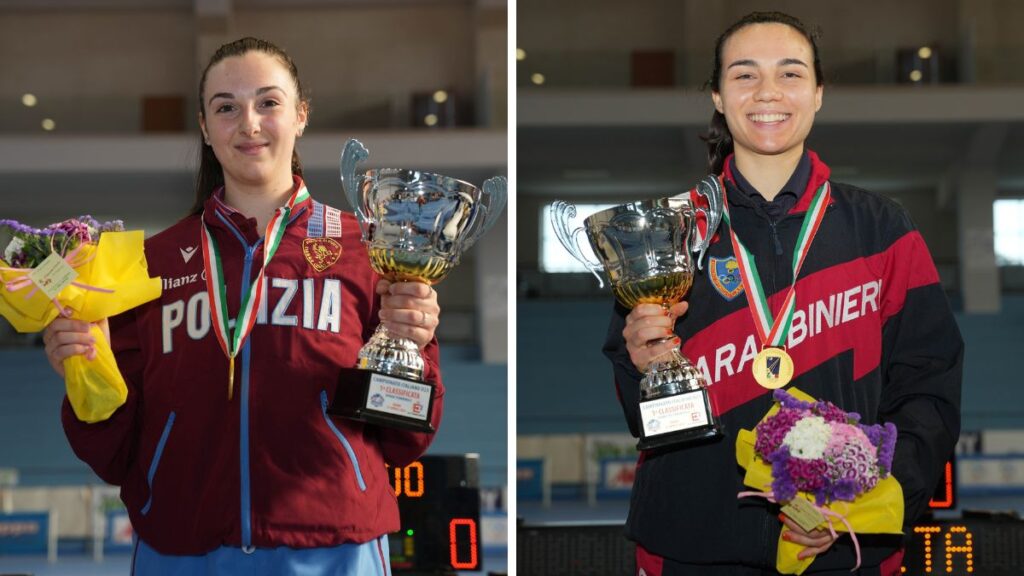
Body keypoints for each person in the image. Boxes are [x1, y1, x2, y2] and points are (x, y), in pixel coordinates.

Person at [42, 37, 443, 575]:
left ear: (300, 115)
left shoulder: (365, 250)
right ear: (206, 129)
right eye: (226, 107)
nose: (249, 123)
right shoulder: (148, 263)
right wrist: (83, 369)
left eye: (268, 102)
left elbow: (403, 439)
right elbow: (111, 452)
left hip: (334, 549)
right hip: (181, 550)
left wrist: (414, 347)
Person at [604, 12, 962, 576]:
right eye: (744, 74)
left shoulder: (883, 229)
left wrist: (864, 508)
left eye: (790, 73)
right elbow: (641, 414)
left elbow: (930, 389)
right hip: (692, 547)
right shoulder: (670, 231)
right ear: (718, 96)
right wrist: (640, 366)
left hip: (843, 547)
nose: (767, 91)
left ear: (818, 93)